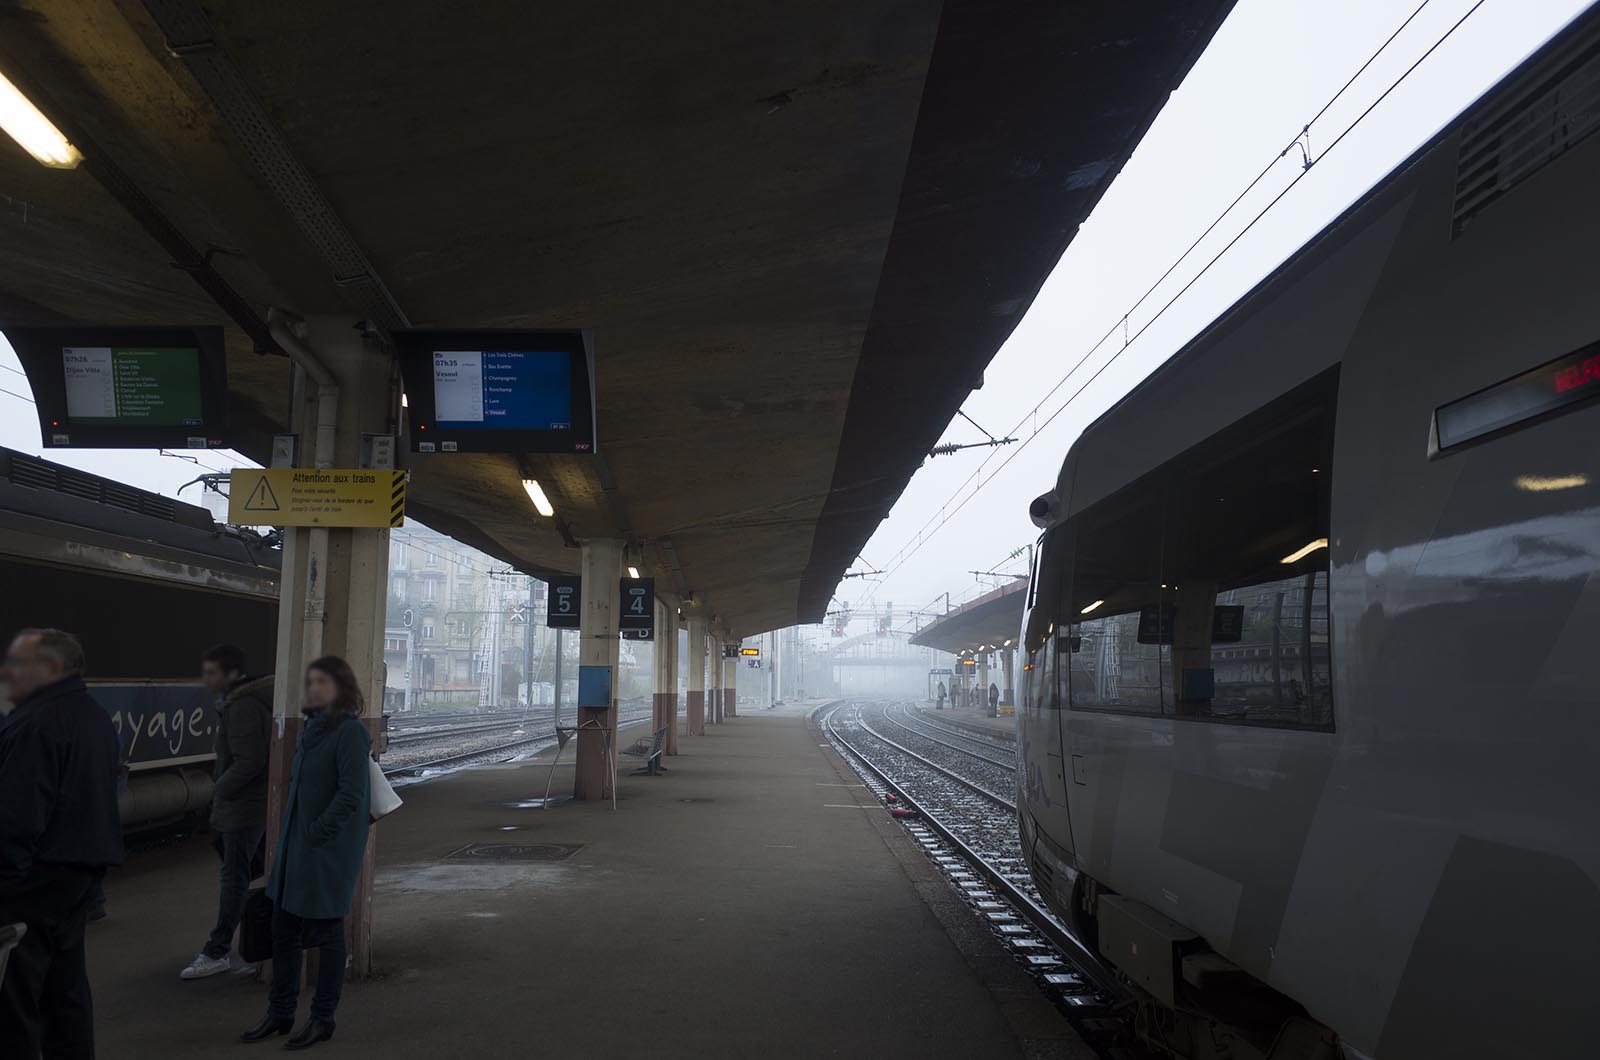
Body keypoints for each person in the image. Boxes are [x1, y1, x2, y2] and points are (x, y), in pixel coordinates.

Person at [0, 629, 123, 1060]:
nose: (7, 672)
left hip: (33, 882)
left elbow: (16, 816)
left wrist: (7, 884)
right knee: (66, 994)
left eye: (17, 664)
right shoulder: (93, 716)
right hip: (78, 878)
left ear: (51, 668)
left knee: (16, 1002)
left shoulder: (36, 723)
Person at [241, 656, 371, 1051]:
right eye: (311, 681)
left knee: (328, 932)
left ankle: (322, 1017)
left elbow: (351, 793)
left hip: (325, 848)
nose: (314, 688)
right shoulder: (312, 729)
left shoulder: (349, 732)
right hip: (297, 846)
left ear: (341, 688)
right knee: (283, 929)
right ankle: (280, 1011)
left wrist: (319, 832)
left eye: (323, 682)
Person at [180, 644, 273, 980]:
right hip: (251, 804)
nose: (205, 680)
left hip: (243, 807)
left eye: (211, 673)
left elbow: (248, 762)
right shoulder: (245, 702)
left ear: (231, 674)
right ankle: (253, 943)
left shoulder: (243, 706)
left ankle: (217, 950)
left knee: (234, 878)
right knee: (243, 873)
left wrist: (218, 789)